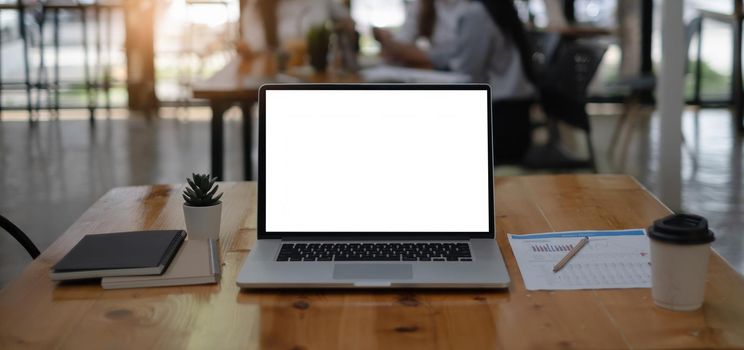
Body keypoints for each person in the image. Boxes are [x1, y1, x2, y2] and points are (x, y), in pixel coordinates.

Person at [378, 0, 537, 163]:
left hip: (497, 121)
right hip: (516, 117)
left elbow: (465, 75)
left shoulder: (476, 14)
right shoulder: (497, 7)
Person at [237, 0, 354, 60]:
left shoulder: (321, 2)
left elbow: (347, 20)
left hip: (319, 74)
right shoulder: (258, 6)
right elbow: (253, 43)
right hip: (275, 76)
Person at [373, 0, 466, 68]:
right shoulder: (422, 4)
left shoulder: (472, 7)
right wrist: (389, 41)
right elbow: (403, 41)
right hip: (437, 68)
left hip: (463, 70)